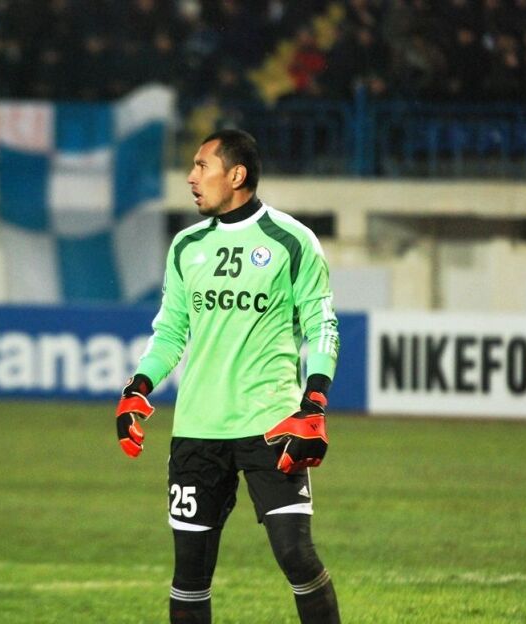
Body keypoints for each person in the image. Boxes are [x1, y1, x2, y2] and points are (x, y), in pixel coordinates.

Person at [114, 129, 341, 623]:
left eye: (202, 166)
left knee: (296, 555)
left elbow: (322, 326)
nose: (190, 178)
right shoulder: (186, 246)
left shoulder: (292, 241)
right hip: (198, 428)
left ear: (236, 175)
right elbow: (170, 331)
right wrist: (138, 388)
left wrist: (314, 404)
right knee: (189, 575)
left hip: (272, 424)